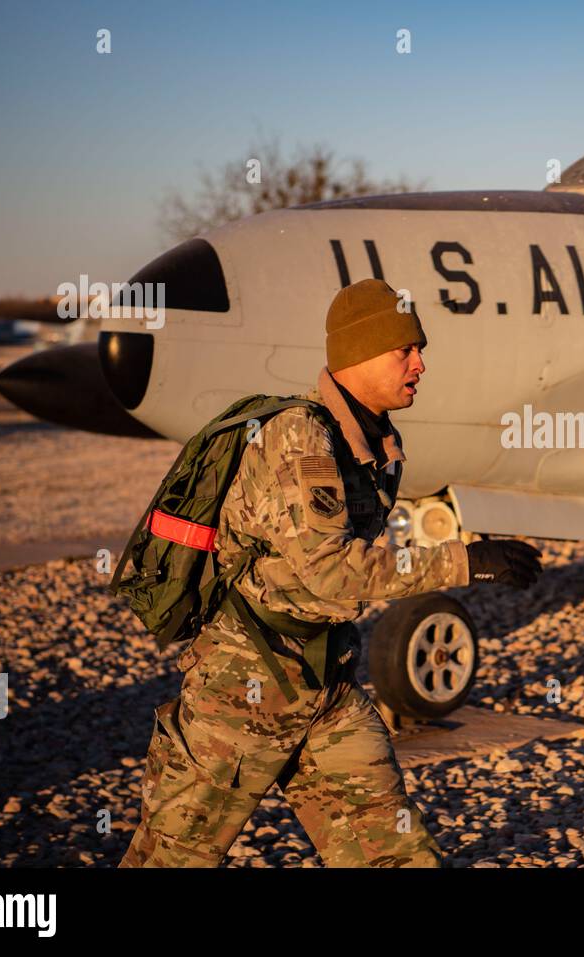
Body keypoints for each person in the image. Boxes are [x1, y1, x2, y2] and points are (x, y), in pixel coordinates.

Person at [119, 278, 543, 867]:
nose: (421, 363)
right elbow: (330, 574)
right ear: (360, 353)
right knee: (172, 857)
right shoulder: (301, 438)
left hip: (324, 686)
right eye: (406, 350)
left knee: (390, 849)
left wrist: (472, 556)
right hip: (242, 692)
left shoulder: (374, 443)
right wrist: (465, 562)